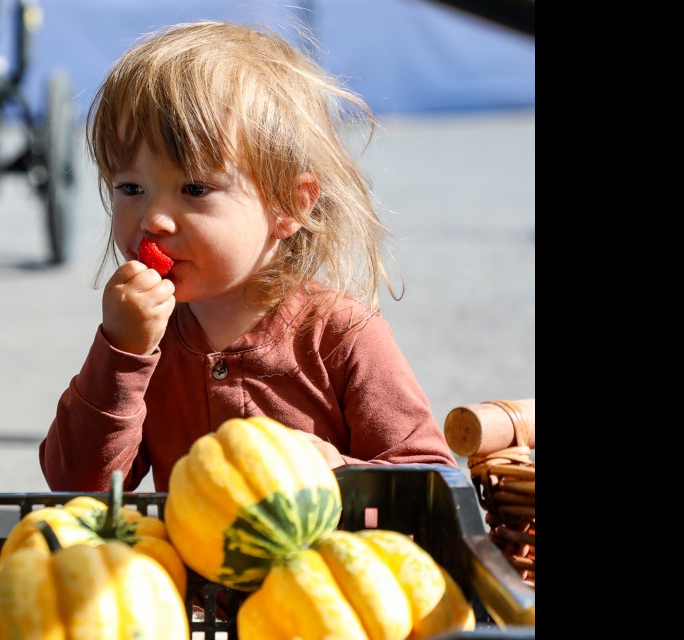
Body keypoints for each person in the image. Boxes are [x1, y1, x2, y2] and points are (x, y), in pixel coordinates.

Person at [40, 20, 457, 493]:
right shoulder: (146, 341)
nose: (153, 219)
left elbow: (431, 480)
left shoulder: (341, 336)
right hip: (184, 568)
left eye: (195, 189)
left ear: (290, 205)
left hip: (318, 566)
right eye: (130, 188)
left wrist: (338, 471)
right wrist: (121, 353)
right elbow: (76, 484)